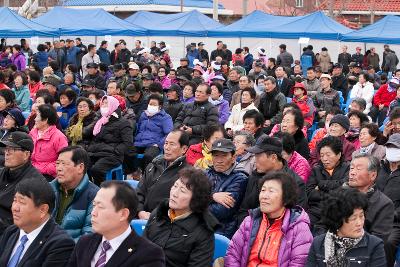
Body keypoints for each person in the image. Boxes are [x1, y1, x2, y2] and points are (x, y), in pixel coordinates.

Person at [67, 181, 165, 267]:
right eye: (94, 205)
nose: (93, 212)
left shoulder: (148, 254)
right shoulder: (85, 242)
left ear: (123, 214)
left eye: (100, 207)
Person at [225, 171, 313, 267]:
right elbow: (233, 255)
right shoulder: (249, 221)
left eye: (271, 191)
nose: (264, 196)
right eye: (263, 190)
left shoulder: (299, 228)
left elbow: (299, 263)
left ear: (286, 198)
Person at [144, 167, 218, 267]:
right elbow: (141, 248)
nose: (174, 193)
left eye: (182, 191)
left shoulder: (203, 233)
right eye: (175, 186)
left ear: (196, 199)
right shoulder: (160, 211)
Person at [0, 177, 75, 267]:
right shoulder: (11, 231)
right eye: (15, 200)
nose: (15, 208)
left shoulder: (60, 243)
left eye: (22, 202)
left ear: (43, 210)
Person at [306, 188, 386, 267]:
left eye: (361, 216)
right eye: (353, 218)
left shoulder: (374, 245)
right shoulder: (318, 244)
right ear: (337, 220)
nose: (359, 223)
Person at [238, 136, 307, 223]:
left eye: (258, 156)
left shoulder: (295, 183)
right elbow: (244, 210)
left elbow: (295, 218)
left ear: (273, 158)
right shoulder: (255, 176)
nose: (255, 161)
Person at [137, 130, 190, 219]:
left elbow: (180, 206)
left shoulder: (187, 174)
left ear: (184, 149)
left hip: (164, 222)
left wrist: (153, 217)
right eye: (166, 143)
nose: (167, 147)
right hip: (141, 217)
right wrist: (139, 211)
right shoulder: (152, 166)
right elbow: (139, 192)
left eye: (172, 144)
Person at [50, 146, 99, 241]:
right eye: (57, 163)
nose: (59, 168)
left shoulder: (95, 195)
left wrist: (60, 249)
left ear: (80, 168)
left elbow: (89, 236)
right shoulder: (49, 189)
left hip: (71, 251)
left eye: (64, 164)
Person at [0, 132, 44, 235]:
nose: (7, 153)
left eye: (13, 149)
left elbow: (26, 222)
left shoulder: (35, 182)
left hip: (11, 235)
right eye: (6, 148)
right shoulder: (2, 172)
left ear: (26, 154)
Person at [307, 136, 350, 234]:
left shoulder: (347, 168)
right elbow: (310, 194)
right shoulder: (316, 169)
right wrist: (334, 192)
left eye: (328, 155)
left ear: (338, 155)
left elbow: (345, 189)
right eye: (322, 155)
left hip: (337, 213)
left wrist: (322, 185)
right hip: (316, 212)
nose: (324, 159)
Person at [206, 138, 248, 238]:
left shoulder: (240, 178)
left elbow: (222, 211)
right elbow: (187, 197)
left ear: (233, 157)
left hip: (220, 231)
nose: (219, 160)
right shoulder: (205, 173)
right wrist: (212, 196)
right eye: (216, 156)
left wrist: (194, 206)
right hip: (199, 227)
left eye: (224, 156)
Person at [347, 154, 394, 242]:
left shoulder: (384, 204)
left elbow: (378, 240)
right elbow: (323, 225)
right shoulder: (340, 196)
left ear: (373, 175)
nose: (352, 172)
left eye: (358, 168)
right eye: (352, 168)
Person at [88, 96, 132, 185]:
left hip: (112, 155)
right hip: (97, 152)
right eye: (102, 103)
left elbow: (128, 142)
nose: (104, 106)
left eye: (106, 103)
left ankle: (102, 190)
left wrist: (116, 151)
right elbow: (95, 139)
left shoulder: (124, 123)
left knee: (97, 169)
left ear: (113, 105)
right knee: (82, 166)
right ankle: (90, 190)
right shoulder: (101, 121)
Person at [376, 133, 400, 266]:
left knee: (388, 242)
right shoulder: (380, 168)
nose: (392, 150)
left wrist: (391, 214)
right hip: (374, 216)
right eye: (390, 147)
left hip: (395, 222)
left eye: (396, 148)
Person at [134, 94, 173, 170]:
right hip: (140, 142)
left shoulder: (165, 117)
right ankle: (134, 172)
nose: (151, 106)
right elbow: (138, 129)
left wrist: (159, 144)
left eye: (154, 104)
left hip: (153, 144)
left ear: (160, 106)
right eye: (150, 104)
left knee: (148, 156)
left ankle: (145, 175)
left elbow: (169, 134)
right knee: (127, 152)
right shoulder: (143, 115)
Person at [30, 104, 68, 180]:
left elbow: (63, 161)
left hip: (48, 175)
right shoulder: (32, 133)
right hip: (31, 170)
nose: (34, 119)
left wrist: (41, 169)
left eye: (37, 116)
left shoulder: (59, 137)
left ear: (45, 120)